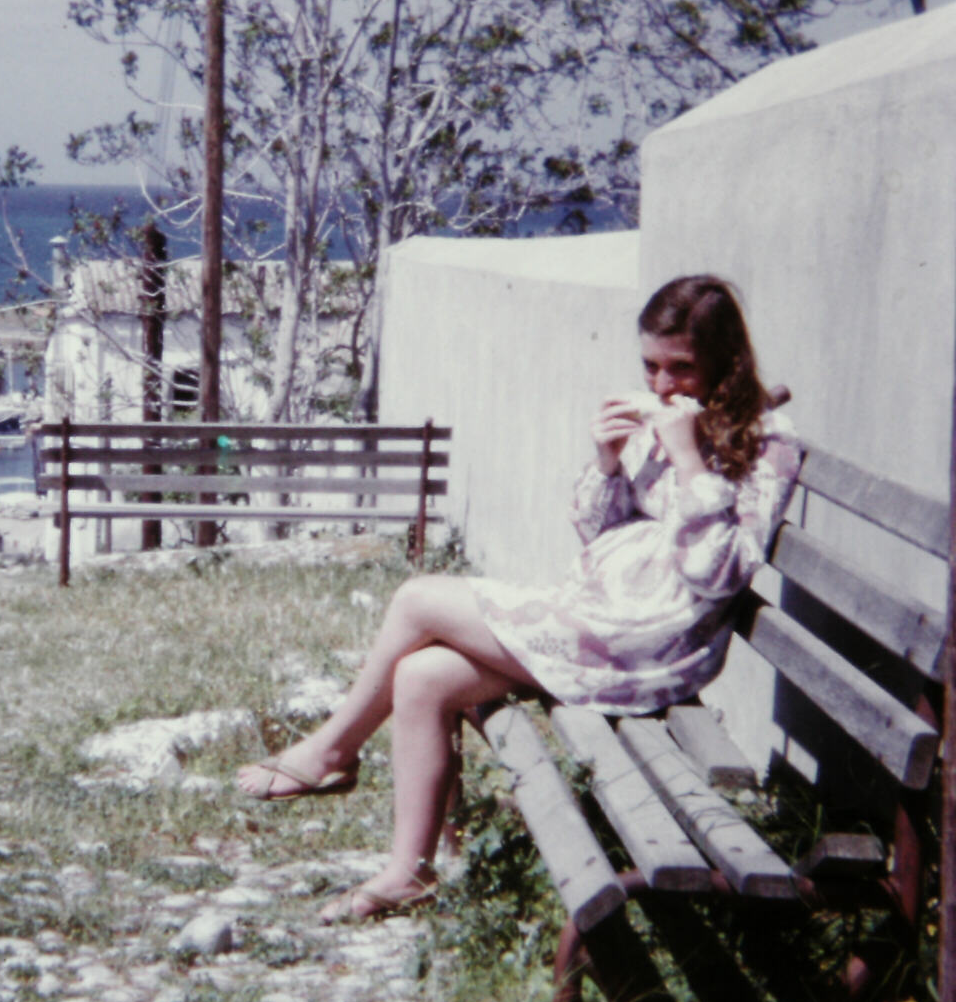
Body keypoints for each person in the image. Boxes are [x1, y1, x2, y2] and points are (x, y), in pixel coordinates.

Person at [236, 274, 802, 923]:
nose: (662, 387)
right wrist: (608, 459)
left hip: (651, 642)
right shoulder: (675, 421)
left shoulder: (768, 443)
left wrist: (692, 464)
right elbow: (597, 531)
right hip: (601, 610)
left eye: (682, 368)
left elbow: (719, 575)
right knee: (421, 676)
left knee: (419, 598)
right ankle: (408, 872)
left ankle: (331, 752)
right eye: (650, 366)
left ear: (727, 363)